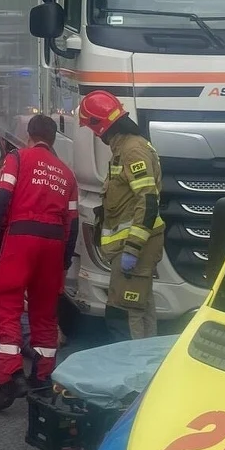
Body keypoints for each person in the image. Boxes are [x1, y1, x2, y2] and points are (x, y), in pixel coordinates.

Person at [0, 114, 77, 413]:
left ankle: (10, 378)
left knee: (7, 305)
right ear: (54, 138)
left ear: (29, 134)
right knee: (45, 314)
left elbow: (2, 198)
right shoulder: (66, 174)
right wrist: (62, 261)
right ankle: (42, 377)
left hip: (22, 237)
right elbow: (72, 224)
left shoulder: (18, 159)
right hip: (54, 243)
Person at [78, 90, 164, 341]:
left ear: (100, 125)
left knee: (123, 314)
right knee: (140, 308)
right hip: (133, 249)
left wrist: (133, 248)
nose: (95, 135)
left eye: (93, 128)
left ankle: (130, 371)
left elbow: (147, 200)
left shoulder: (131, 150)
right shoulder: (125, 148)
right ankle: (145, 367)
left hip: (135, 249)